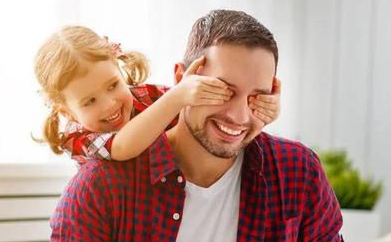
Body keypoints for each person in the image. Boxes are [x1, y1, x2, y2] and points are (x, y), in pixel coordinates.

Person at [34, 10, 356, 242]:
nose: (238, 117)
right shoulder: (102, 183)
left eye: (256, 97)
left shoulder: (297, 170)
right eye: (222, 91)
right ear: (182, 80)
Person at [33, 25, 280, 164]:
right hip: (125, 212)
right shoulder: (77, 137)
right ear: (66, 110)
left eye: (112, 85)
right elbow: (121, 148)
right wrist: (176, 97)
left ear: (119, 66)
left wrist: (260, 107)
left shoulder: (146, 97)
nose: (110, 104)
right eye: (89, 101)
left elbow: (197, 113)